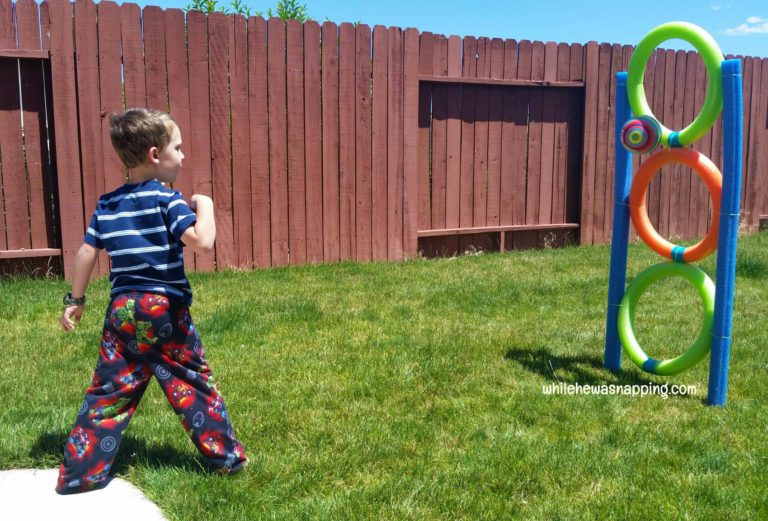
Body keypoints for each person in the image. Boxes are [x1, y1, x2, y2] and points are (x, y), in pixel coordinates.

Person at [56, 108, 247, 494]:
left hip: (121, 312)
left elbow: (87, 253)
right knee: (190, 382)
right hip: (163, 311)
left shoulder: (107, 204)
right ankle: (227, 459)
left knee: (110, 390)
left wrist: (75, 298)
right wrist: (206, 204)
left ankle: (80, 473)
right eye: (178, 147)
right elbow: (202, 242)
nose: (183, 155)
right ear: (155, 155)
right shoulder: (167, 200)